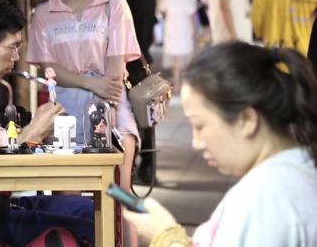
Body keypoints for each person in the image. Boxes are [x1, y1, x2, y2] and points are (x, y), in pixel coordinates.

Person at [123, 42, 317, 247]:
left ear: (246, 120)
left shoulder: (266, 198)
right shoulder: (290, 176)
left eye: (200, 126)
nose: (196, 143)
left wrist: (166, 238)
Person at [0, 0, 95, 247]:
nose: (15, 57)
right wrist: (33, 132)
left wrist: (27, 124)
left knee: (87, 209)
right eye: (11, 47)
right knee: (96, 224)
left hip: (1, 208)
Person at [27, 0, 141, 247]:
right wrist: (92, 84)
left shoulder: (113, 2)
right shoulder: (45, 12)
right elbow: (50, 69)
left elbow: (115, 66)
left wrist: (103, 87)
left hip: (112, 106)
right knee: (69, 204)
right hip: (62, 113)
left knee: (119, 195)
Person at [109, 0, 158, 186]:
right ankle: (147, 170)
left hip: (129, 64)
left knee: (132, 121)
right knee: (146, 120)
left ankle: (135, 169)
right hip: (144, 61)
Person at [157, 0, 198, 94]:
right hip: (184, 26)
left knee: (176, 55)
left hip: (171, 25)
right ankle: (179, 79)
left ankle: (176, 79)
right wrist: (195, 30)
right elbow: (192, 14)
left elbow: (161, 10)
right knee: (182, 54)